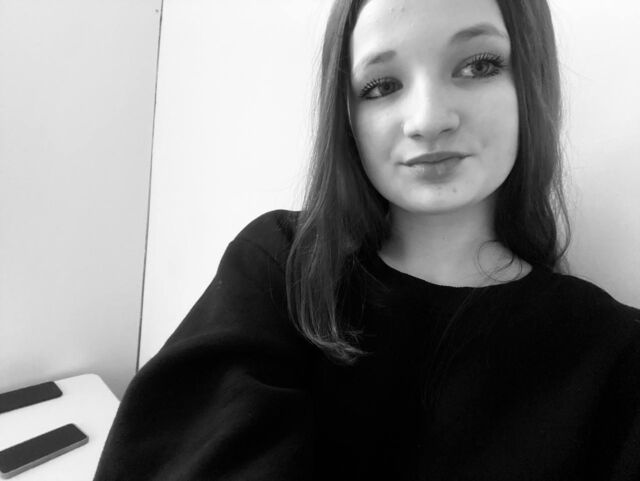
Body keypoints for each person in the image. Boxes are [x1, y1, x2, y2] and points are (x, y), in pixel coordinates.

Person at [93, 0, 640, 479]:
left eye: (478, 65)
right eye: (381, 86)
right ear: (347, 117)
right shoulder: (280, 268)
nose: (428, 120)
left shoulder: (615, 353)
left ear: (532, 81)